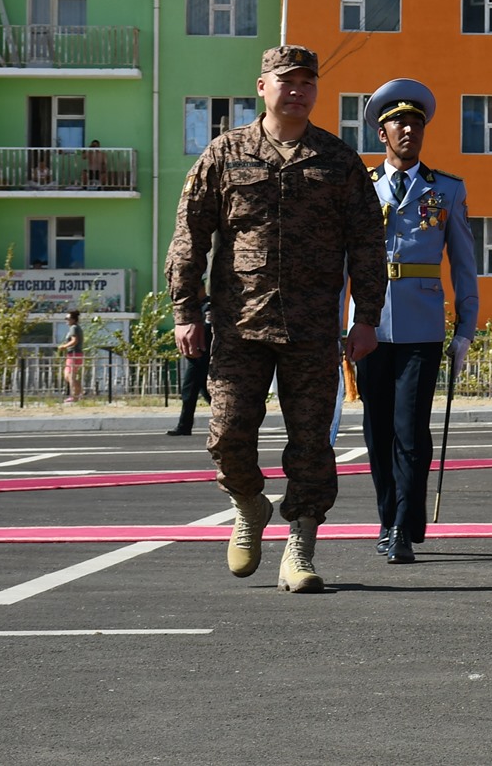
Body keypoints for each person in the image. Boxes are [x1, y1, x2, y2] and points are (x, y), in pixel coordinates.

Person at [165, 44, 386, 594]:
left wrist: (367, 317)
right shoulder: (225, 153)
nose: (298, 89)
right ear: (262, 87)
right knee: (226, 434)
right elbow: (189, 235)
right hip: (239, 326)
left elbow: (367, 243)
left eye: (308, 81)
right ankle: (249, 505)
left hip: (312, 329)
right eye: (286, 80)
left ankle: (301, 547)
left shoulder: (339, 161)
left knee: (311, 442)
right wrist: (185, 311)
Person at [354, 79, 478, 565]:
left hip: (423, 325)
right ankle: (388, 519)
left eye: (416, 122)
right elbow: (343, 262)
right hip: (370, 326)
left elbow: (465, 262)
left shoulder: (445, 188)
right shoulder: (362, 188)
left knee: (410, 429)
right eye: (399, 122)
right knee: (376, 430)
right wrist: (337, 324)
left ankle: (404, 525)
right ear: (381, 132)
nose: (409, 129)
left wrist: (466, 328)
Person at [167, 301, 211, 435]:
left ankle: (184, 426)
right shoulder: (196, 306)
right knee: (205, 392)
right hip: (196, 357)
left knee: (189, 392)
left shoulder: (209, 306)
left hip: (203, 356)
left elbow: (208, 330)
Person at [59, 311, 84, 403]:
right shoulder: (75, 328)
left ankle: (74, 395)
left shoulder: (74, 328)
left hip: (74, 354)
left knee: (70, 375)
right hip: (74, 354)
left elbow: (74, 340)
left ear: (73, 319)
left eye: (68, 318)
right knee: (68, 376)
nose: (66, 320)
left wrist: (64, 346)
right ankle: (80, 392)